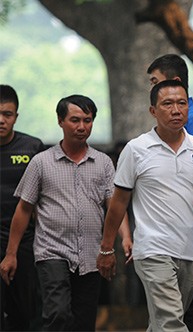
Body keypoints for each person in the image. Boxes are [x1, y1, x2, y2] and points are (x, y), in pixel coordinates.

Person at [96, 80, 193, 332]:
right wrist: (107, 248)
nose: (176, 110)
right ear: (153, 111)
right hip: (153, 250)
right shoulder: (136, 150)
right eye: (167, 104)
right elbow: (119, 200)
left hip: (189, 249)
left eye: (182, 103)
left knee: (163, 323)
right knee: (173, 323)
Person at [0, 94, 132, 331]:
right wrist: (12, 254)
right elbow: (24, 209)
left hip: (92, 255)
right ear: (60, 121)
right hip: (52, 251)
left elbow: (115, 206)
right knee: (57, 313)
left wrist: (125, 239)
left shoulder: (103, 163)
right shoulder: (41, 162)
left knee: (84, 320)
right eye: (75, 120)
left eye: (87, 120)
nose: (82, 127)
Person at [147, 54, 193, 331]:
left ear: (175, 82)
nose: (150, 87)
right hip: (171, 221)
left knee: (187, 298)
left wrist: (189, 217)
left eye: (155, 81)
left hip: (186, 220)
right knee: (169, 297)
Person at [0, 84, 44, 331]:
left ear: (16, 116)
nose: (1, 120)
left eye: (7, 114)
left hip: (26, 242)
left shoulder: (32, 148)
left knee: (24, 313)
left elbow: (45, 198)